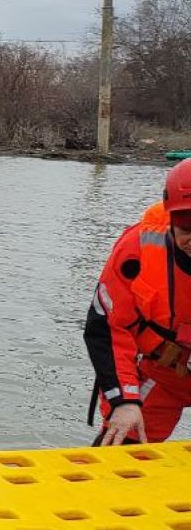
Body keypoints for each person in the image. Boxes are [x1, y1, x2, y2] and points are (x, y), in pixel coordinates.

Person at [84, 159, 191, 445]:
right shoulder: (137, 251)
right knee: (124, 440)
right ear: (170, 219)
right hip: (167, 369)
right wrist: (123, 400)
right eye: (187, 224)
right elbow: (108, 327)